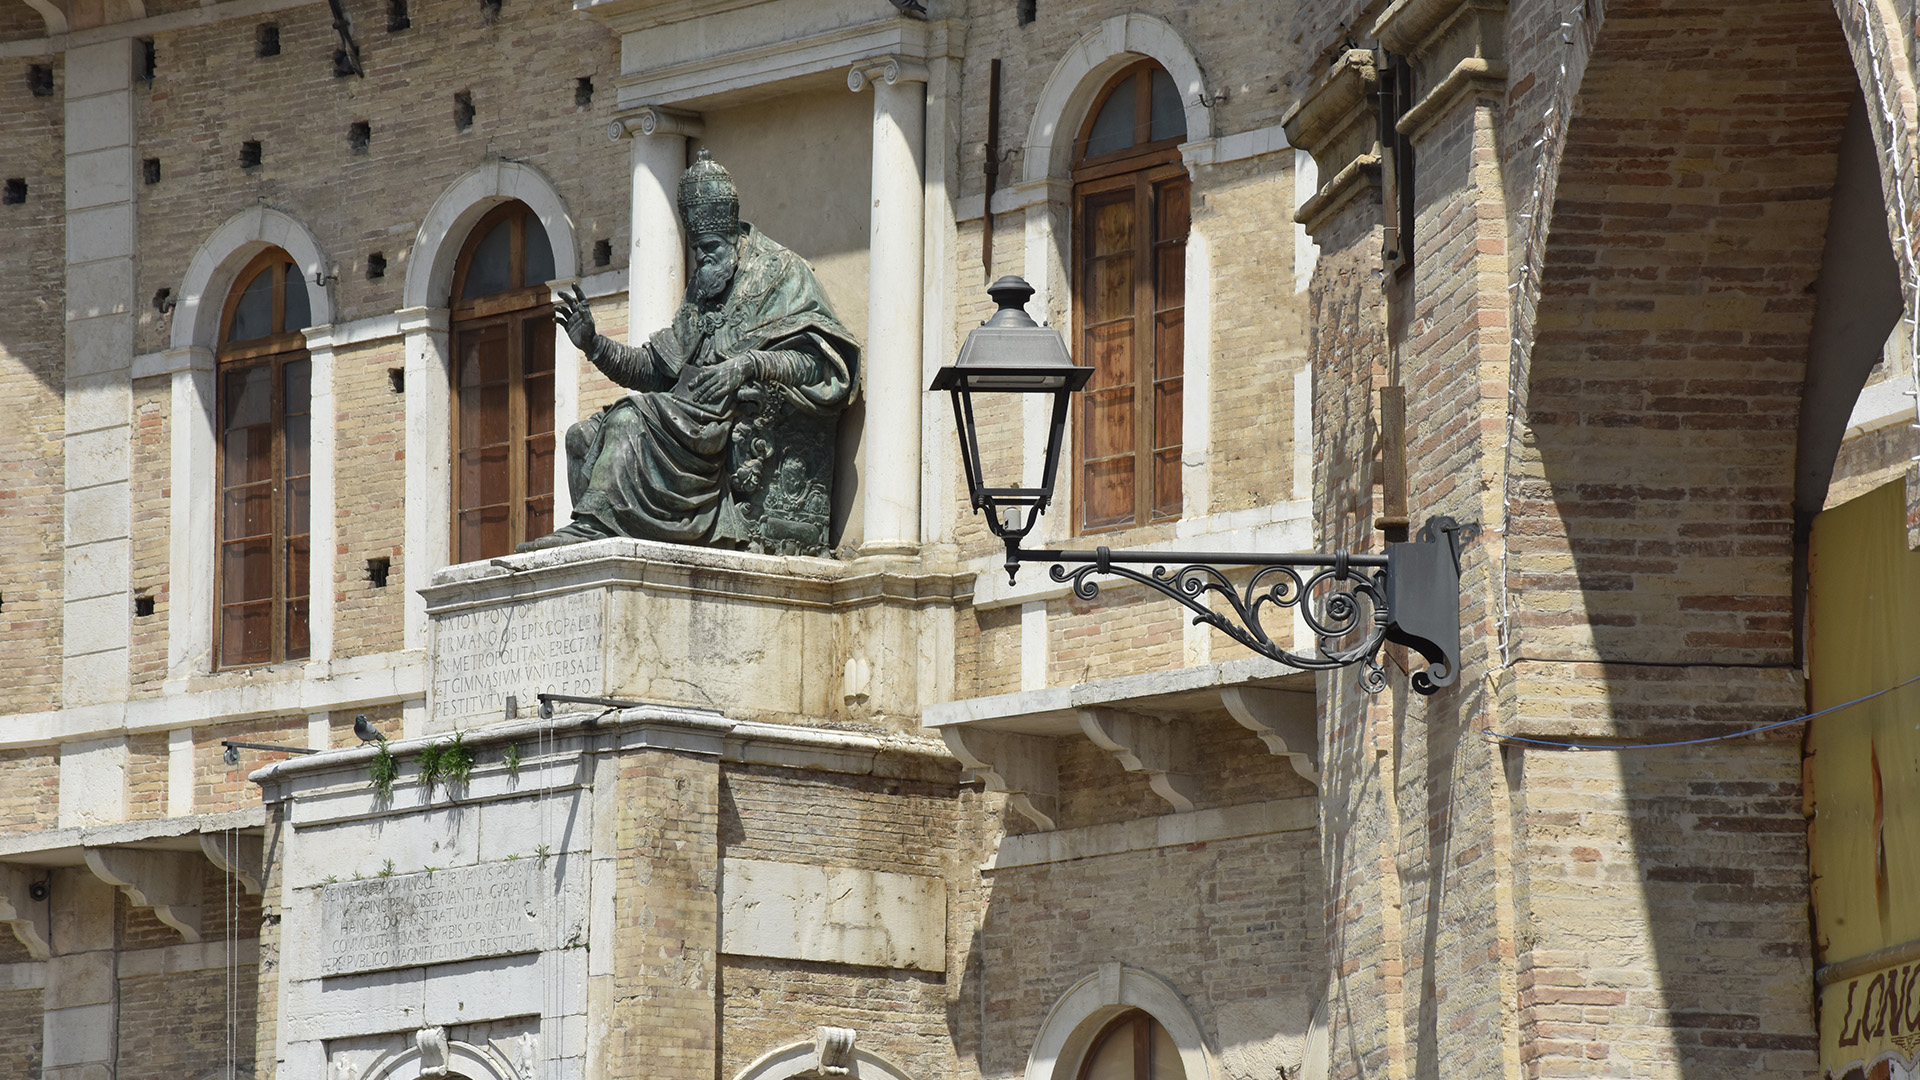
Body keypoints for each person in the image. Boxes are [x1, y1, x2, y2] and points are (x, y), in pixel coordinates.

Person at [519, 151, 859, 553]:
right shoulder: (702, 288)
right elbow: (654, 367)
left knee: (629, 418)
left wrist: (749, 365)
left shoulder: (782, 274)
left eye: (710, 245)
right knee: (581, 437)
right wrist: (594, 345)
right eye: (696, 248)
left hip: (720, 422)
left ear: (734, 235)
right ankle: (596, 540)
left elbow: (823, 366)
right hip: (684, 415)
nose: (702, 257)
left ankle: (598, 527)